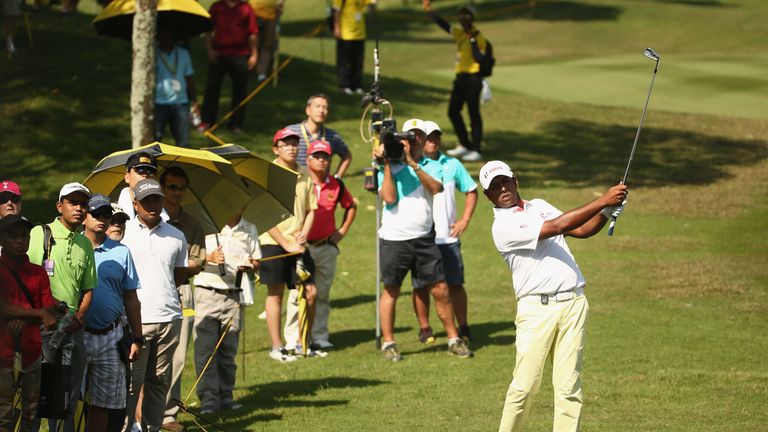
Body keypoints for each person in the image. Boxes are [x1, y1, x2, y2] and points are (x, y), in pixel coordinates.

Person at [478, 160, 627, 432]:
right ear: (488, 196)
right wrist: (602, 199)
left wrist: (606, 209)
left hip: (573, 303)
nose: (502, 189)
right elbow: (557, 226)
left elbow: (581, 230)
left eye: (504, 181)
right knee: (525, 386)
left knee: (569, 387)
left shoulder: (539, 206)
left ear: (516, 180)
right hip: (536, 310)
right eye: (494, 187)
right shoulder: (502, 226)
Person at [373, 118, 472, 362]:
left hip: (424, 239)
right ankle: (389, 343)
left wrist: (412, 164)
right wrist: (386, 164)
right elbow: (389, 197)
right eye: (410, 136)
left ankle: (453, 339)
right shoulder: (387, 165)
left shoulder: (428, 165)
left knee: (440, 288)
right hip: (394, 239)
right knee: (391, 290)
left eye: (418, 136)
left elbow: (436, 188)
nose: (414, 140)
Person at [26, 183, 97, 432]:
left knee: (68, 392)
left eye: (82, 204)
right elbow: (27, 276)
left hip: (73, 327)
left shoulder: (85, 243)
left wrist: (79, 315)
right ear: (60, 206)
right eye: (72, 202)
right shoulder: (39, 233)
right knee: (37, 391)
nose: (78, 208)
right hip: (42, 326)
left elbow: (88, 288)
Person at [120, 179, 188, 432]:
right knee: (131, 382)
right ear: (135, 204)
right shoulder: (124, 233)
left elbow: (179, 276)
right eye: (146, 200)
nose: (152, 204)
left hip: (169, 318)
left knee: (159, 382)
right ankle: (126, 427)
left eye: (157, 199)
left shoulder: (177, 235)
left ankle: (152, 428)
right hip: (137, 319)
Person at [81, 194, 143, 432]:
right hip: (78, 334)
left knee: (104, 403)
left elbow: (131, 297)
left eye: (107, 215)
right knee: (68, 400)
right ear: (85, 216)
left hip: (111, 335)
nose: (102, 219)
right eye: (96, 214)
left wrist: (137, 337)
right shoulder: (74, 246)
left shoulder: (122, 252)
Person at [411, 120, 477, 344]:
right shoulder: (414, 164)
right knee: (421, 285)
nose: (433, 141)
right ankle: (425, 327)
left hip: (448, 236)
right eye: (429, 137)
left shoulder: (452, 164)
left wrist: (464, 220)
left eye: (436, 136)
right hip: (422, 236)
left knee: (455, 283)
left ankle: (464, 326)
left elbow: (471, 190)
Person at [193, 208, 260, 414]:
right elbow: (192, 257)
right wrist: (210, 257)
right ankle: (209, 400)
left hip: (234, 294)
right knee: (206, 350)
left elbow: (257, 260)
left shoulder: (249, 228)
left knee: (228, 350)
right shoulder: (205, 225)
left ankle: (226, 396)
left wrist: (250, 266)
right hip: (207, 291)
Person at [259, 127, 317, 362]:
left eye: (294, 143)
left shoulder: (305, 173)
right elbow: (264, 213)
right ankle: (277, 346)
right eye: (286, 144)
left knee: (310, 292)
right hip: (273, 242)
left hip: (298, 243)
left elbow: (311, 209)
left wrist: (304, 233)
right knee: (276, 295)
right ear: (276, 149)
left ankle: (304, 342)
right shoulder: (271, 174)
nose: (292, 147)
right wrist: (285, 242)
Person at [0, 215, 59, 432]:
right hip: (3, 357)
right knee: (4, 415)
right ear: (1, 239)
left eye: (23, 236)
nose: (19, 240)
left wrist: (25, 320)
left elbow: (49, 309)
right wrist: (37, 315)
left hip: (31, 354)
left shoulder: (38, 272)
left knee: (30, 415)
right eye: (12, 236)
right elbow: (2, 307)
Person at [158, 167, 206, 432]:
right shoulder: (149, 221)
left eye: (181, 187)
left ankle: (168, 414)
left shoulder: (192, 224)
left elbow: (199, 260)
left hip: (182, 291)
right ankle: (143, 412)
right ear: (162, 188)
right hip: (152, 292)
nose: (177, 192)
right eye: (172, 187)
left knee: (177, 355)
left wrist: (184, 268)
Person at [305, 140, 356, 350]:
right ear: (308, 159)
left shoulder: (336, 184)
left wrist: (342, 230)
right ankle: (298, 338)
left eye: (325, 157)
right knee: (301, 295)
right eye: (317, 156)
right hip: (303, 247)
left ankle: (319, 336)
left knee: (323, 294)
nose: (321, 160)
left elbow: (350, 206)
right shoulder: (300, 182)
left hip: (326, 247)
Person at [423, 0, 488, 162]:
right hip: (460, 79)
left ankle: (476, 148)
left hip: (473, 79)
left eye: (466, 16)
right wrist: (429, 11)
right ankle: (465, 144)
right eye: (461, 17)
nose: (463, 20)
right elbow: (444, 25)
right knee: (453, 111)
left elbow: (480, 58)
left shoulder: (479, 37)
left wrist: (473, 41)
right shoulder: (459, 33)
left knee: (474, 114)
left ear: (471, 19)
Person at [200, 0, 258, 133]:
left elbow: (253, 33)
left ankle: (236, 125)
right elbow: (208, 30)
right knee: (212, 88)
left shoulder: (246, 8)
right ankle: (207, 121)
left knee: (240, 91)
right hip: (218, 54)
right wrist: (209, 50)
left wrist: (254, 54)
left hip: (241, 55)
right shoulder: (217, 7)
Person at [285, 93, 352, 177]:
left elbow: (347, 155)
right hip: (297, 185)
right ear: (308, 110)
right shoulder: (291, 132)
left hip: (322, 187)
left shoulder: (332, 136)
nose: (321, 111)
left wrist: (337, 177)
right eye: (317, 106)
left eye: (325, 107)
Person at [155, 29, 198, 148]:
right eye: (164, 35)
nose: (167, 39)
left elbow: (189, 77)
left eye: (170, 36)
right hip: (158, 103)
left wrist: (195, 100)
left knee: (183, 143)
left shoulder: (183, 53)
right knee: (155, 140)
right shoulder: (153, 53)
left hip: (181, 103)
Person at [332, 0, 375, 95]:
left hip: (360, 33)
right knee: (344, 61)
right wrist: (337, 27)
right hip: (345, 33)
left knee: (358, 61)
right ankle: (344, 85)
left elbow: (370, 3)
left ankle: (357, 85)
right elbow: (336, 10)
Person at [117, 152, 160, 221]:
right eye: (140, 170)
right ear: (127, 177)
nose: (145, 175)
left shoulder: (166, 215)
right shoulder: (111, 214)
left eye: (150, 171)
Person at [248, 0, 284, 82]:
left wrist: (281, 3)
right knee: (253, 43)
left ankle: (262, 73)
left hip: (271, 15)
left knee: (267, 44)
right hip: (254, 13)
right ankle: (253, 68)